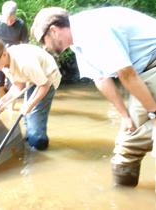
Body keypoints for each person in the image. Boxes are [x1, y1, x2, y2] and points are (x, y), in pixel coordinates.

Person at [31, 6, 156, 187]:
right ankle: (123, 195)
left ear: (53, 31)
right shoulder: (77, 41)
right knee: (128, 141)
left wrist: (154, 115)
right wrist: (125, 116)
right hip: (143, 71)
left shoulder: (93, 30)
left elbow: (126, 74)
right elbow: (101, 78)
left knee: (131, 143)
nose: (45, 47)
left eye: (44, 40)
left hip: (150, 65)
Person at [0, 37, 61, 150]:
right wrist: (4, 100)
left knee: (35, 126)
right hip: (33, 78)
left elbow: (44, 85)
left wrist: (30, 105)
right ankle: (30, 143)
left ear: (4, 54)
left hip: (48, 77)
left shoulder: (25, 63)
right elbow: (19, 85)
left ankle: (39, 149)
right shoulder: (2, 64)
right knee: (27, 116)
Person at [0, 0, 29, 101]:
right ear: (2, 14)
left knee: (13, 85)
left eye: (12, 20)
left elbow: (25, 45)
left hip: (14, 59)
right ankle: (1, 108)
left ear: (15, 15)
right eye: (7, 20)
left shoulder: (21, 25)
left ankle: (11, 110)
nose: (9, 23)